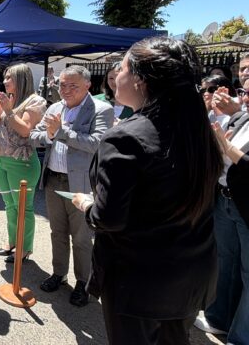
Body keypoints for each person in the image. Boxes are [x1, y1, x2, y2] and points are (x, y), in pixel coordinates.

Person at [70, 37, 222, 344]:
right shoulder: (198, 131)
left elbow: (109, 217)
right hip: (191, 275)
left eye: (122, 68)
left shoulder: (126, 137)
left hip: (140, 282)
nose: (115, 77)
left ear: (140, 80)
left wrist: (86, 205)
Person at [30, 65, 113, 306]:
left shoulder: (101, 110)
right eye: (62, 85)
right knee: (57, 232)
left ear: (87, 85)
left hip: (81, 184)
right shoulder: (55, 108)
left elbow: (97, 143)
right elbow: (35, 136)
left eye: (72, 85)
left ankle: (83, 282)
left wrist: (61, 132)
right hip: (54, 178)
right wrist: (50, 135)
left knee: (81, 237)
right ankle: (58, 273)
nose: (65, 90)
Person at [0, 64, 46, 263]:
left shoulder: (35, 101)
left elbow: (25, 130)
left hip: (21, 162)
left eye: (9, 78)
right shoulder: (8, 100)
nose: (4, 82)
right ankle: (12, 241)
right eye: (5, 78)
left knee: (23, 207)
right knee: (9, 205)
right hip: (1, 160)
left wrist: (9, 111)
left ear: (21, 79)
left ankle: (24, 247)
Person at [203, 121, 249, 344]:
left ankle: (240, 337)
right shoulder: (242, 117)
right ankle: (218, 319)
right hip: (226, 199)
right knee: (224, 262)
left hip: (246, 208)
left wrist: (225, 144)